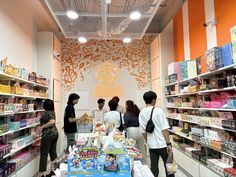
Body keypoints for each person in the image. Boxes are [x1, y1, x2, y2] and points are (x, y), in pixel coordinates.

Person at [139, 91, 174, 177]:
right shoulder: (158, 111)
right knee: (170, 168)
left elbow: (143, 131)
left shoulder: (141, 113)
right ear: (153, 100)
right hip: (163, 144)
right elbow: (164, 129)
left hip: (152, 146)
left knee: (154, 168)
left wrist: (148, 141)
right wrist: (168, 143)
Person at [39, 99, 58, 177]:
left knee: (44, 154)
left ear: (45, 105)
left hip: (47, 135)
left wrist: (41, 127)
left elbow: (52, 121)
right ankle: (54, 171)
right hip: (55, 133)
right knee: (53, 153)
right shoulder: (53, 112)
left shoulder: (46, 113)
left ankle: (41, 174)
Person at [123, 100, 146, 164]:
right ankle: (144, 164)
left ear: (127, 105)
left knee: (133, 150)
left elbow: (126, 124)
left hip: (131, 131)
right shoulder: (137, 111)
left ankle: (135, 164)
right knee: (142, 149)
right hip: (140, 131)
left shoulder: (127, 113)